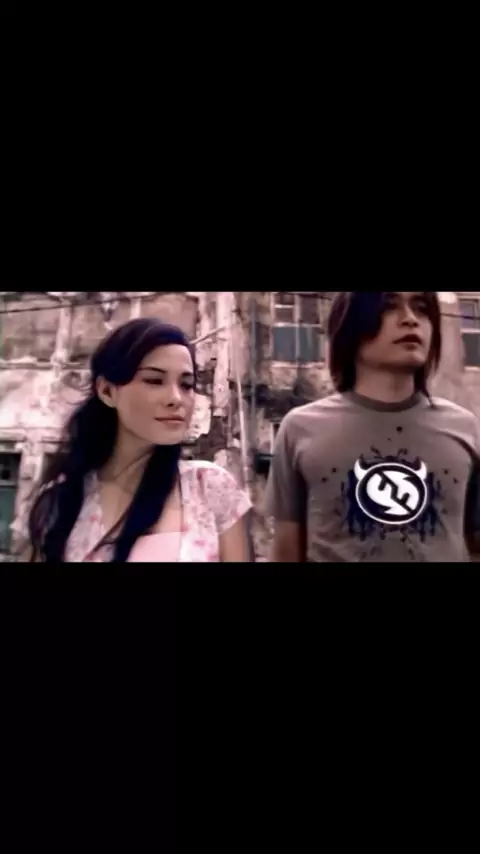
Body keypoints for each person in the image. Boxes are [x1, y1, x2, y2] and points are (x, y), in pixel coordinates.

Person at [266, 291, 480, 564]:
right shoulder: (300, 429)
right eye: (389, 306)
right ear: (351, 325)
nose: (410, 319)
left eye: (421, 308)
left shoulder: (465, 429)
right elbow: (286, 550)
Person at [25, 318, 252, 563]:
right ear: (107, 391)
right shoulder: (59, 502)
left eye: (186, 385)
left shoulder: (210, 487)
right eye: (154, 381)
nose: (176, 399)